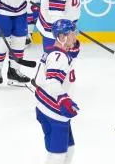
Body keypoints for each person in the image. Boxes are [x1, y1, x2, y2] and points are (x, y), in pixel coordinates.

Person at [35, 18, 80, 164]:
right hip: (54, 112)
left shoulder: (56, 52)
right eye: (72, 34)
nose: (75, 37)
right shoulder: (58, 57)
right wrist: (65, 100)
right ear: (62, 37)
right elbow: (53, 81)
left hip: (49, 108)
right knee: (57, 156)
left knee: (69, 149)